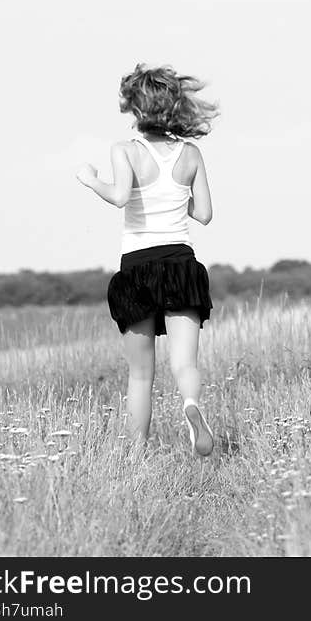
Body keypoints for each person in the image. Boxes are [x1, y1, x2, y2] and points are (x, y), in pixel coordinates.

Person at [75, 63, 219, 456]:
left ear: (136, 109)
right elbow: (204, 214)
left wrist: (91, 181)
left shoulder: (124, 150)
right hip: (181, 265)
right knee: (184, 364)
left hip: (138, 267)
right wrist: (175, 197)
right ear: (174, 107)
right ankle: (191, 405)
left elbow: (120, 196)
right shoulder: (191, 154)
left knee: (140, 375)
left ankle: (136, 457)